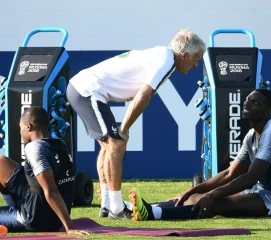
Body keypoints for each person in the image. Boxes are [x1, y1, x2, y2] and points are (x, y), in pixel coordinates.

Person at [66, 28, 206, 220]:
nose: (196, 65)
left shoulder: (162, 55)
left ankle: (107, 205)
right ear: (183, 55)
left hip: (82, 88)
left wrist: (122, 130)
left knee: (108, 146)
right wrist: (124, 128)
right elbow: (143, 95)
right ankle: (116, 208)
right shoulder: (167, 61)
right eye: (196, 59)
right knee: (116, 144)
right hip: (87, 90)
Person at [129, 88, 271, 221]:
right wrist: (191, 190)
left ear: (268, 112)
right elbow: (229, 173)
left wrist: (212, 194)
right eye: (248, 99)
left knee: (216, 203)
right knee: (197, 197)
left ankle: (154, 214)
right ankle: (137, 208)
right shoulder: (251, 135)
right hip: (259, 192)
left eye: (255, 103)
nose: (247, 103)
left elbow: (250, 177)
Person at [0, 106, 91, 235]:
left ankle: (17, 212)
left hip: (35, 218)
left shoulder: (34, 148)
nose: (20, 133)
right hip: (45, 210)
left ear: (28, 127)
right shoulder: (60, 144)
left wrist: (69, 227)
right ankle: (13, 208)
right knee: (1, 162)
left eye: (20, 128)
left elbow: (52, 191)